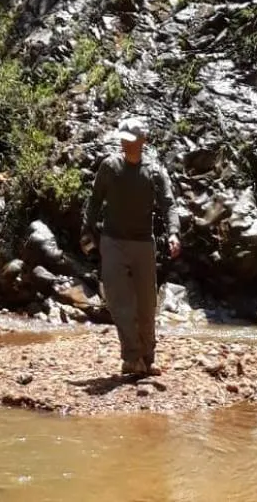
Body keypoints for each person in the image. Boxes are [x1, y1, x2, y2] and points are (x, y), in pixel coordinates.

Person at [81, 116, 180, 378]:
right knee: (118, 301)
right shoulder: (109, 167)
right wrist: (86, 230)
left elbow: (169, 204)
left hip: (143, 244)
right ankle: (131, 357)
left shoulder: (154, 172)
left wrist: (174, 233)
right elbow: (94, 200)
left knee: (146, 305)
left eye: (131, 140)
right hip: (112, 241)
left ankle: (147, 358)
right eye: (123, 140)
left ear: (142, 141)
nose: (126, 145)